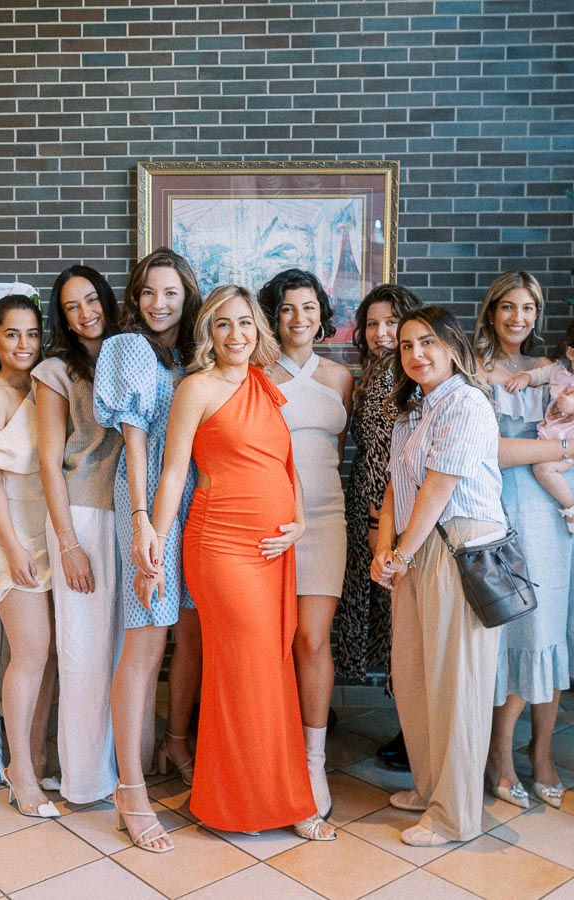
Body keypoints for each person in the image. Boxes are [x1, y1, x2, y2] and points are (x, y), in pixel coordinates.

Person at [146, 284, 335, 841]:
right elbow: (174, 472)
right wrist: (153, 541)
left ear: (259, 330)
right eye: (224, 324)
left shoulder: (263, 383)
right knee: (247, 671)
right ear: (209, 332)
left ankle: (277, 797)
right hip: (221, 547)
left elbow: (284, 462)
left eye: (246, 323)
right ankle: (245, 803)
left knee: (270, 669)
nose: (236, 334)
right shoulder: (196, 388)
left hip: (273, 550)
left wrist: (299, 520)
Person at [473, 272, 574, 812]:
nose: (518, 318)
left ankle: (544, 751)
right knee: (527, 628)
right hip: (516, 507)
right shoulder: (475, 371)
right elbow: (488, 450)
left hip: (569, 507)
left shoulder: (559, 369)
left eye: (528, 308)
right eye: (508, 307)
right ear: (491, 311)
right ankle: (500, 754)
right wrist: (566, 448)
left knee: (557, 626)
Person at [370, 306, 506, 847]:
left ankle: (455, 816)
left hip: (458, 544)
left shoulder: (467, 403)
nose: (416, 354)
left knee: (456, 682)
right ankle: (431, 789)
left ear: (452, 346)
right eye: (406, 345)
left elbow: (438, 488)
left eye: (427, 342)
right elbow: (393, 489)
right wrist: (387, 549)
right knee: (414, 675)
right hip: (415, 545)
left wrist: (401, 555)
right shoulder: (413, 411)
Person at [92, 247, 204, 853]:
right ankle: (130, 790)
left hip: (195, 498)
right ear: (135, 298)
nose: (159, 304)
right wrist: (141, 523)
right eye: (148, 292)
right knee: (147, 639)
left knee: (191, 632)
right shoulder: (130, 348)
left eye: (171, 293)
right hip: (147, 497)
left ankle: (176, 742)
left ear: (188, 298)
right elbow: (135, 445)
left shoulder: (191, 356)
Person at [257, 269, 352, 818]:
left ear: (322, 314)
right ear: (274, 316)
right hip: (269, 521)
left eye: (309, 307)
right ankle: (276, 754)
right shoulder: (256, 373)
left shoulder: (340, 377)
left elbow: (335, 451)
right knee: (272, 641)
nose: (299, 318)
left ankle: (315, 762)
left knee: (313, 640)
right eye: (288, 308)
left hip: (326, 516)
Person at [34, 266, 124, 805]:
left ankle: (118, 767)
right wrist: (68, 544)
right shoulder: (55, 371)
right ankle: (85, 779)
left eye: (92, 300)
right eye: (72, 306)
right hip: (83, 515)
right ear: (63, 318)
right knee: (84, 650)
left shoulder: (133, 355)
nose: (86, 313)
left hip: (130, 512)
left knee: (121, 651)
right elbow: (49, 461)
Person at [0, 295, 59, 819]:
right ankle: (19, 770)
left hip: (49, 534)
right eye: (12, 334)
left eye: (32, 334)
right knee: (30, 654)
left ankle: (38, 758)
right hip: (12, 540)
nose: (23, 344)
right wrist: (14, 545)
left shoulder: (45, 388)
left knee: (49, 657)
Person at [337, 284, 422, 769]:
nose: (381, 332)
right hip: (371, 506)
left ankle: (414, 732)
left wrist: (377, 522)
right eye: (372, 324)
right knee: (391, 620)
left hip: (385, 511)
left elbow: (391, 457)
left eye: (391, 322)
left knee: (399, 622)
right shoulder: (377, 372)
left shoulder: (398, 375)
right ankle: (409, 724)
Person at [505, 314, 574, 535]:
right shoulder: (559, 369)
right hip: (554, 437)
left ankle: (573, 506)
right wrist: (526, 378)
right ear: (572, 353)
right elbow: (541, 374)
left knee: (542, 468)